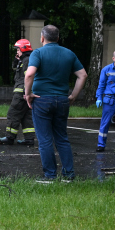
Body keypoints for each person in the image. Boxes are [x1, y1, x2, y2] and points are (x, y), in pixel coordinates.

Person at [23, 25, 87, 182]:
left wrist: (27, 94)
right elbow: (83, 75)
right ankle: (68, 174)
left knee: (45, 139)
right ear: (58, 38)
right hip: (62, 99)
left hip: (42, 99)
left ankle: (50, 175)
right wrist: (73, 96)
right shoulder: (69, 53)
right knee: (62, 137)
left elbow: (30, 74)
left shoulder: (38, 53)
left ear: (42, 38)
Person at [0, 39, 36, 146]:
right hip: (25, 93)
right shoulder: (24, 60)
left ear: (23, 49)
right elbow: (15, 68)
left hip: (21, 93)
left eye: (18, 49)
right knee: (26, 116)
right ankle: (29, 139)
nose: (17, 51)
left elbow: (29, 77)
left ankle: (9, 137)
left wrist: (26, 92)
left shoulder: (27, 60)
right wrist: (16, 60)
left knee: (13, 113)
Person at [95, 50, 115, 152]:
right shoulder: (106, 69)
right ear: (113, 58)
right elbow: (101, 85)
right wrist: (99, 98)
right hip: (110, 99)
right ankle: (101, 144)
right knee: (105, 122)